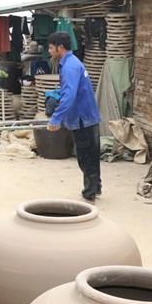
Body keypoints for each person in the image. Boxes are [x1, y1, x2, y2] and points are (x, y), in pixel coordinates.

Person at [46, 31, 102, 201]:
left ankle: (90, 192)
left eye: (51, 48)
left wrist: (56, 118)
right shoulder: (71, 62)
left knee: (85, 156)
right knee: (91, 154)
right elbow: (69, 91)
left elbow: (69, 96)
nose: (49, 51)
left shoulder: (69, 66)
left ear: (60, 47)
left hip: (82, 117)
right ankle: (95, 187)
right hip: (87, 115)